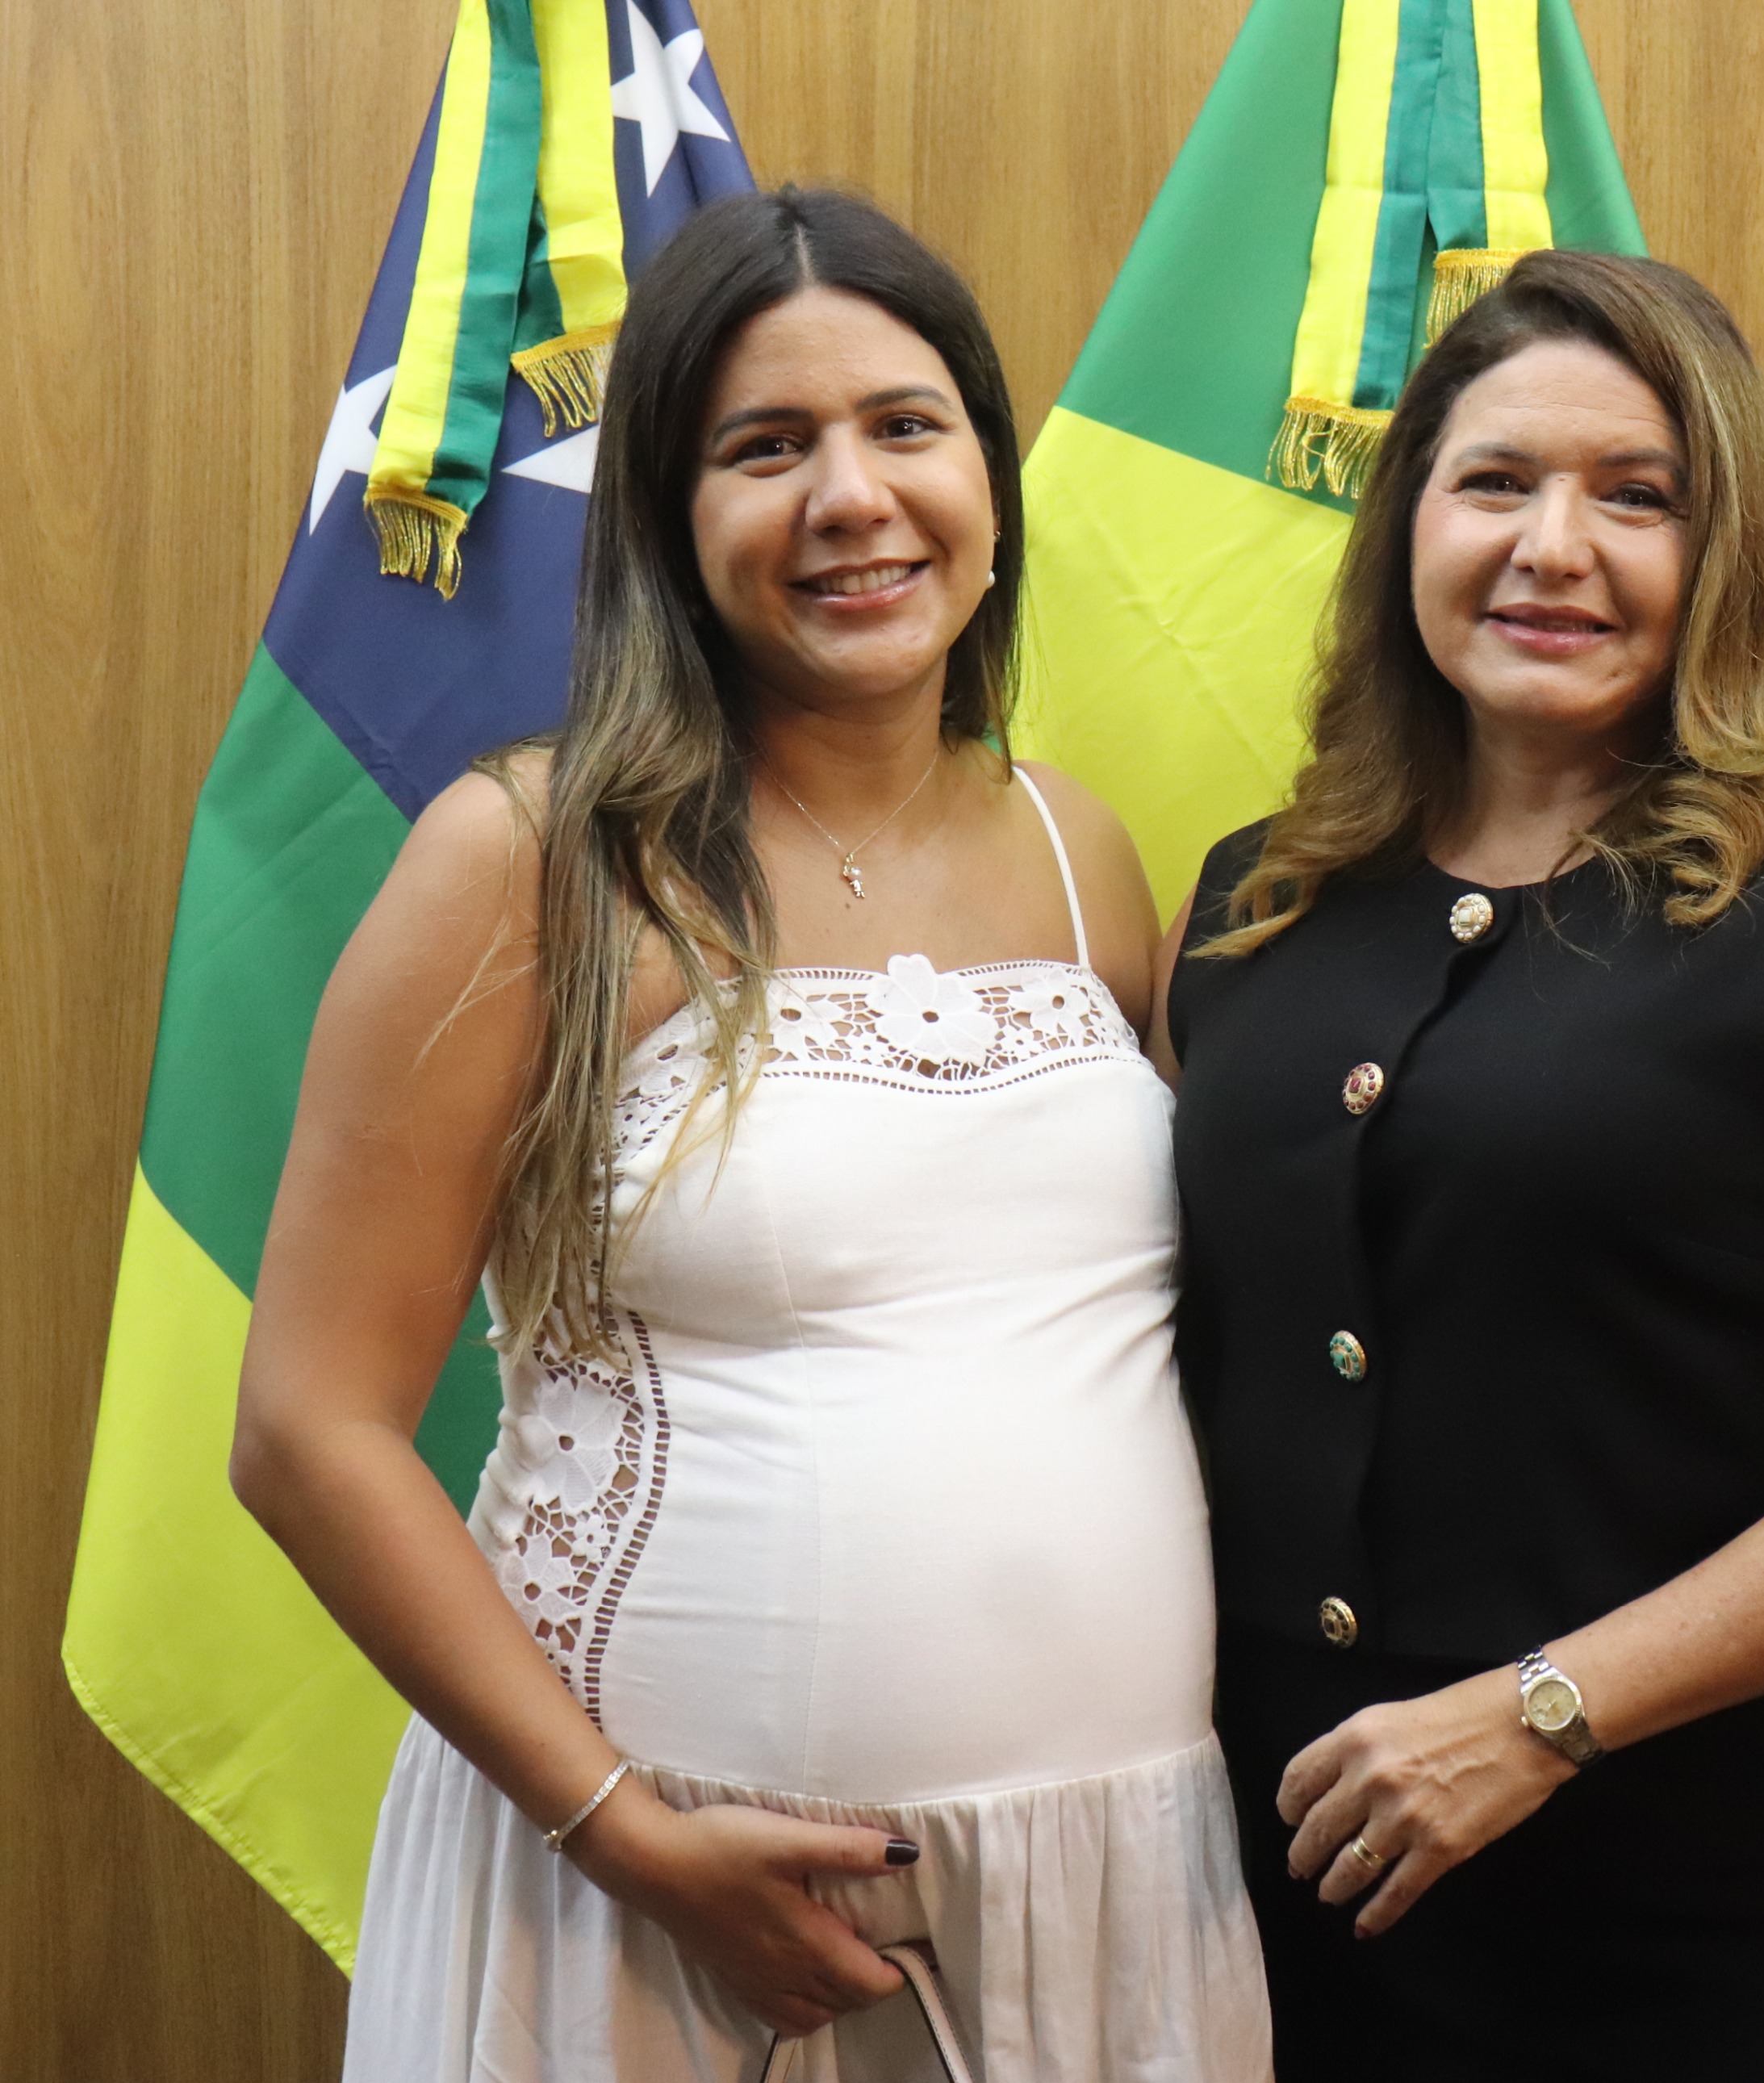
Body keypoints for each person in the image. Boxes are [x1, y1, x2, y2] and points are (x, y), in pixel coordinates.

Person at [231, 188, 1269, 2081]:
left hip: (1109, 1888)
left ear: (988, 479)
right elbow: (309, 1428)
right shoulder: (530, 860)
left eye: (904, 425)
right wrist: (622, 1831)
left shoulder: (1082, 847)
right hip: (650, 1895)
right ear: (666, 515)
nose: (851, 498)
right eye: (766, 447)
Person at [1152, 249, 1764, 2079]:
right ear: (1407, 526)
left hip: (1698, 1912)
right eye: (1493, 481)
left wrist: (1540, 1713)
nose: (1551, 547)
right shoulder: (1256, 898)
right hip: (1290, 1895)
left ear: (1724, 555)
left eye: (1635, 496)